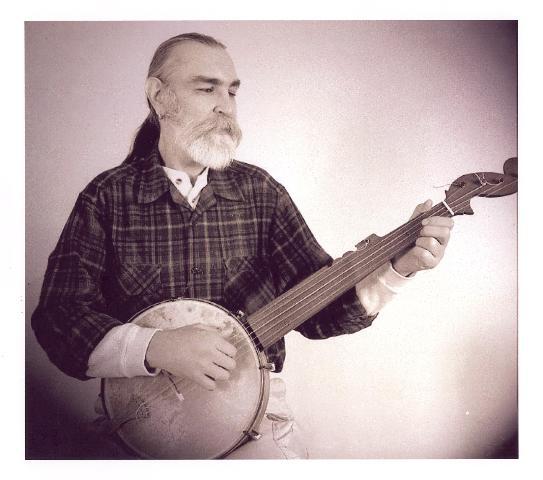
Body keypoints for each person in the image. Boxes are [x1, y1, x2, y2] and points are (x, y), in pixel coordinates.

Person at [31, 32, 454, 459]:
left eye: (231, 91)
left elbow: (321, 315)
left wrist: (397, 270)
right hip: (140, 429)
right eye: (206, 88)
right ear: (159, 96)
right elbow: (57, 319)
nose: (225, 105)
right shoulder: (107, 197)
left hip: (253, 430)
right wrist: (156, 346)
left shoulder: (261, 193)